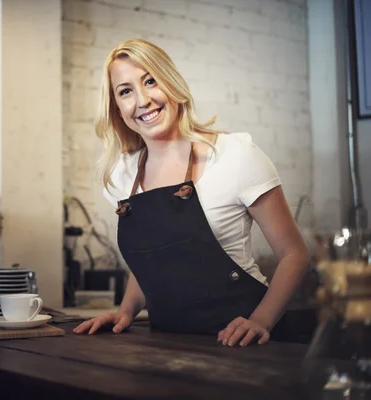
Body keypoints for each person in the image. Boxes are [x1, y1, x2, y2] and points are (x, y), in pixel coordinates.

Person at [73, 39, 310, 346]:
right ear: (117, 109)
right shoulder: (123, 175)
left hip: (246, 343)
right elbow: (153, 259)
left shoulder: (235, 155)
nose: (142, 99)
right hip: (167, 346)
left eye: (150, 80)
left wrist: (261, 321)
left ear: (171, 83)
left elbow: (295, 254)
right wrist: (126, 311)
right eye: (126, 91)